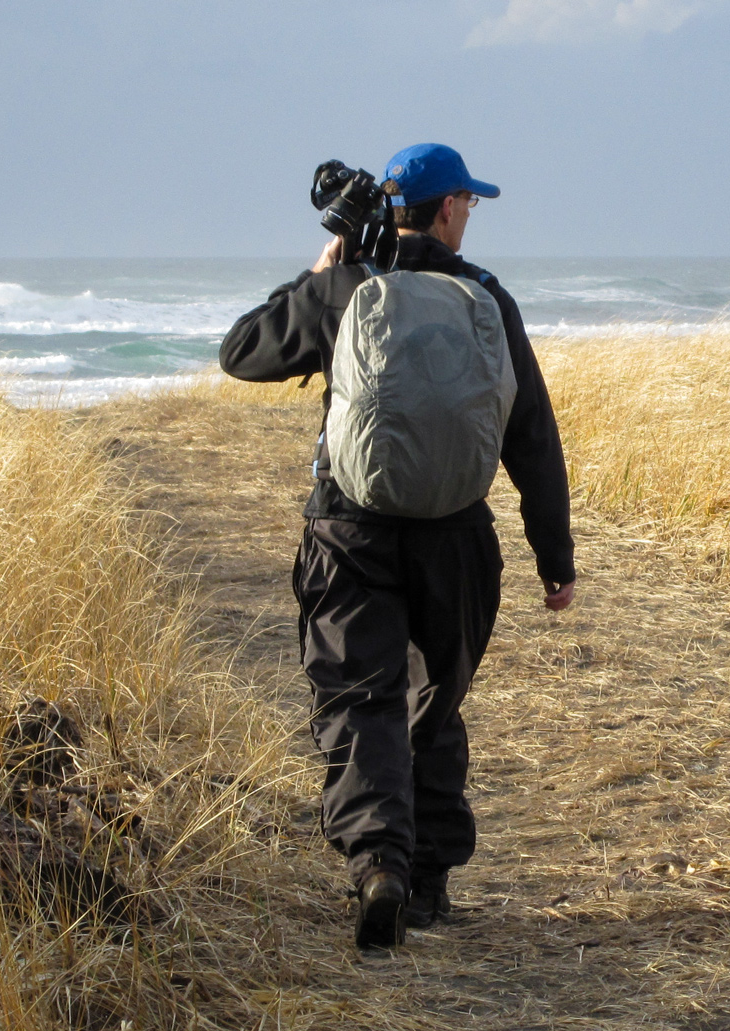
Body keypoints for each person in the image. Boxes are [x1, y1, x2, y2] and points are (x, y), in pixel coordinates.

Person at [219, 143, 577, 950]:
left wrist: (317, 271)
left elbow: (241, 352)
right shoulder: (486, 296)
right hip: (456, 539)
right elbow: (533, 436)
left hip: (349, 532)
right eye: (469, 204)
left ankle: (380, 861)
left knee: (362, 698)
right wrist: (555, 558)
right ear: (448, 208)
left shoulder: (345, 289)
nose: (469, 216)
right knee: (433, 701)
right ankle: (430, 884)